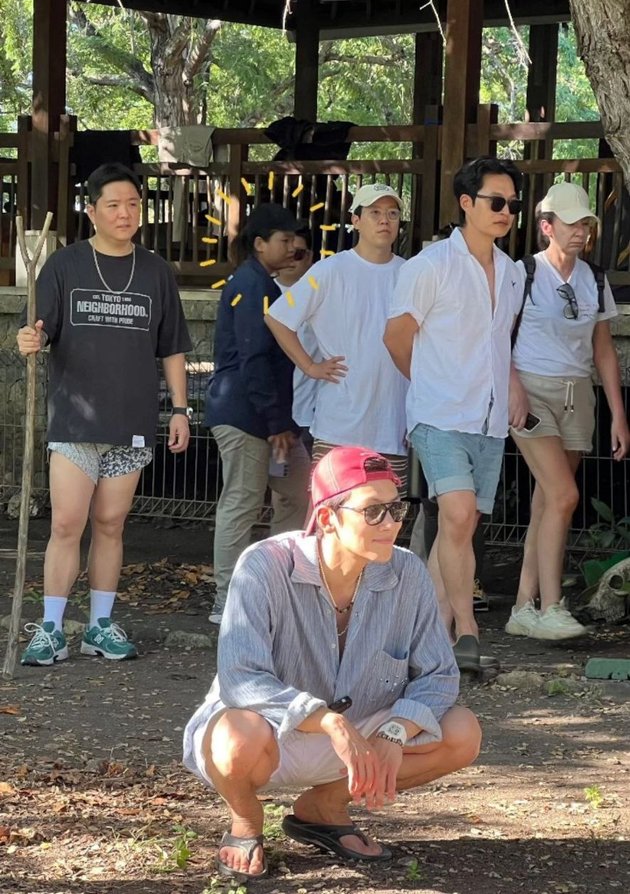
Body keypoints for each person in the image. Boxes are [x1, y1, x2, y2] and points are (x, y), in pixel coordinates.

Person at [183, 446, 480, 881]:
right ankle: (245, 821)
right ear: (327, 518)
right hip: (274, 734)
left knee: (462, 733)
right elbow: (241, 679)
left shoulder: (409, 572)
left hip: (359, 734)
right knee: (235, 736)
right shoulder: (264, 565)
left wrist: (395, 733)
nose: (393, 523)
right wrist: (328, 721)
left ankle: (323, 809)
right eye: (373, 511)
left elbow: (439, 675)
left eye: (397, 507)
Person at [16, 162, 192, 666]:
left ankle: (100, 626)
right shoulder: (65, 265)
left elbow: (173, 348)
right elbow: (40, 328)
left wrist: (179, 409)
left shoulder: (157, 271)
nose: (125, 213)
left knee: (112, 524)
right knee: (68, 524)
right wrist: (29, 338)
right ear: (90, 210)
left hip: (132, 421)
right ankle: (50, 628)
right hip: (75, 423)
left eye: (133, 204)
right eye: (113, 205)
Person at [384, 156, 525, 673]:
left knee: (457, 530)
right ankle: (468, 629)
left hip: (488, 420)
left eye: (512, 203)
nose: (506, 211)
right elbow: (396, 339)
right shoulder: (429, 266)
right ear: (466, 203)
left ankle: (425, 637)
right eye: (496, 201)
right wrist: (429, 386)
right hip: (439, 413)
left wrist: (509, 387)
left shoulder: (512, 273)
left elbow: (499, 345)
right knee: (459, 516)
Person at [506, 182, 630, 640]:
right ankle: (552, 607)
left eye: (586, 223)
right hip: (532, 392)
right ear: (546, 226)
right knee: (563, 496)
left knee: (547, 501)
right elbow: (499, 336)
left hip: (579, 393)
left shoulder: (594, 278)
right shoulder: (524, 273)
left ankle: (523, 607)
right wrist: (513, 386)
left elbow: (604, 353)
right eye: (572, 222)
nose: (581, 230)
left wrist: (618, 415)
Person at [204, 203, 311, 625]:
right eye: (284, 241)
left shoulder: (261, 283)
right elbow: (254, 359)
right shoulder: (253, 287)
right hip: (246, 415)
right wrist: (276, 424)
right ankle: (227, 598)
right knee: (242, 501)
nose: (291, 249)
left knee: (297, 491)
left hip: (263, 416)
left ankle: (272, 584)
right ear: (260, 244)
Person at [265, 184, 409, 487]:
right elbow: (277, 318)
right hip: (339, 425)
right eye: (374, 213)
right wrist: (310, 366)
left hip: (393, 424)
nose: (384, 220)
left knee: (384, 517)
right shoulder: (329, 270)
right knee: (331, 514)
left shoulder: (411, 273)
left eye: (392, 213)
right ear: (355, 220)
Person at [274, 223, 319, 455]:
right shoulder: (262, 291)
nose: (292, 259)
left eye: (299, 253)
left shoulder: (321, 292)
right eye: (287, 251)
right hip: (272, 411)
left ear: (310, 256)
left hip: (308, 411)